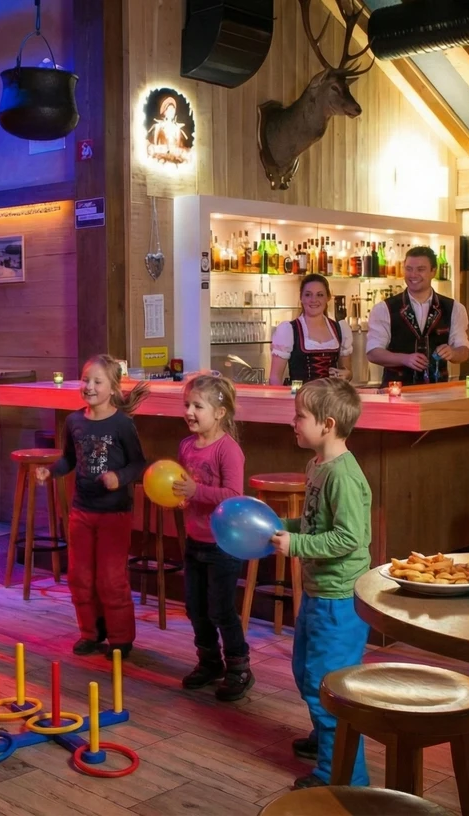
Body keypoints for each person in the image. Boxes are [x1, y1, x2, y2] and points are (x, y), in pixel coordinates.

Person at [269, 377, 372, 790]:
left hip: (340, 598)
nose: (292, 422)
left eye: (300, 416)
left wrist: (294, 543)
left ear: (327, 424)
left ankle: (343, 774)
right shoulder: (317, 465)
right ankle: (326, 740)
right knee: (305, 671)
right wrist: (281, 527)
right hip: (317, 591)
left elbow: (350, 537)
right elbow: (315, 524)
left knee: (330, 685)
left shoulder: (343, 477)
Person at [36, 355, 149, 659]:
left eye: (97, 381)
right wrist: (52, 470)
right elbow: (69, 459)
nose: (89, 386)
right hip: (81, 511)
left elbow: (139, 462)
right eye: (86, 380)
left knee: (111, 577)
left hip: (115, 513)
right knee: (80, 576)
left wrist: (120, 477)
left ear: (113, 389)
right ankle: (91, 632)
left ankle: (121, 638)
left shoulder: (123, 424)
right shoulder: (74, 421)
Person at [172, 374, 252, 701]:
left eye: (197, 406)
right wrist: (179, 496)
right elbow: (183, 484)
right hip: (195, 540)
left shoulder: (228, 450)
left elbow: (234, 494)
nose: (189, 411)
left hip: (223, 544)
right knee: (195, 606)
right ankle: (209, 662)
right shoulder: (186, 446)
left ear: (219, 413)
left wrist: (196, 491)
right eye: (187, 405)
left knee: (221, 609)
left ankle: (239, 668)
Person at [366, 246, 469, 386]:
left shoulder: (454, 308)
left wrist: (453, 352)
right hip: (397, 394)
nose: (413, 275)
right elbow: (373, 353)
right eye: (409, 269)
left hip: (438, 393)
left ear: (433, 271)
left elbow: (464, 351)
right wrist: (405, 359)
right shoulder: (384, 309)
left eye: (420, 269)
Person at [269, 273, 353, 385]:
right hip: (298, 396)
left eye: (320, 295)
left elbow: (348, 372)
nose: (314, 300)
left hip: (331, 398)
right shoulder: (289, 330)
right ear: (301, 298)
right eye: (308, 295)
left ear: (328, 298)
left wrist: (346, 375)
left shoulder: (340, 329)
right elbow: (275, 378)